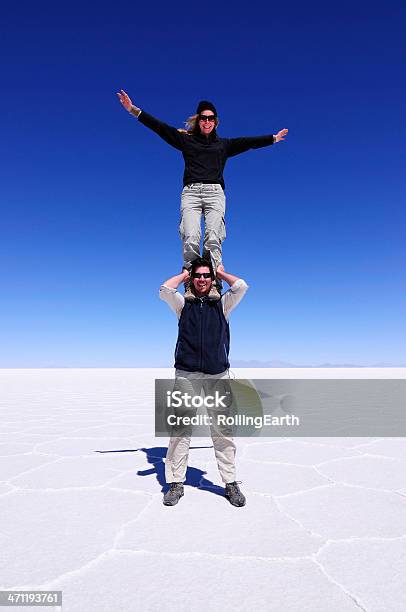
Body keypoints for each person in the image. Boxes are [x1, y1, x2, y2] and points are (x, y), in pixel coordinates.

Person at [117, 90, 288, 298]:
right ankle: (190, 282)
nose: (207, 121)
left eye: (211, 118)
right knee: (190, 235)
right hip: (191, 193)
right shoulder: (186, 140)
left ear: (216, 122)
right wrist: (133, 110)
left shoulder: (223, 145)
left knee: (213, 237)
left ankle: (214, 282)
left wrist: (273, 139)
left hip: (215, 193)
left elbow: (247, 143)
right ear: (198, 120)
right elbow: (160, 128)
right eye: (203, 118)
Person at [159, 257, 248, 507]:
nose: (201, 280)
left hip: (217, 375)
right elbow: (165, 290)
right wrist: (183, 276)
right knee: (180, 431)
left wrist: (222, 272)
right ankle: (175, 483)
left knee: (222, 432)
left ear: (212, 280)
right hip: (187, 375)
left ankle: (230, 483)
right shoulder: (182, 305)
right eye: (197, 276)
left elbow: (241, 286)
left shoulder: (223, 305)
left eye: (206, 276)